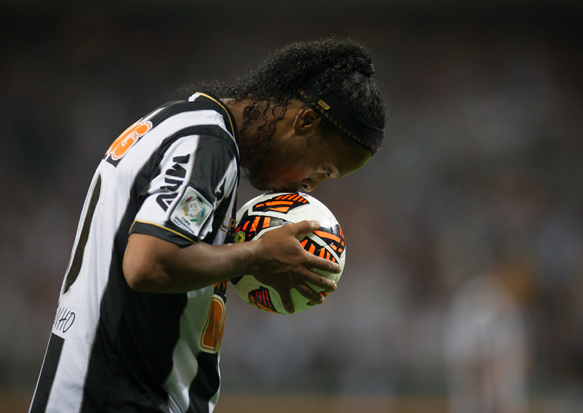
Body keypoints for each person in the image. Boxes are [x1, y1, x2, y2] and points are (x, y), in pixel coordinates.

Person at [29, 37, 387, 413]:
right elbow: (148, 263)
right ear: (306, 121)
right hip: (112, 398)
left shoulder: (190, 127)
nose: (312, 185)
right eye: (325, 168)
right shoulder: (206, 143)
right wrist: (257, 255)